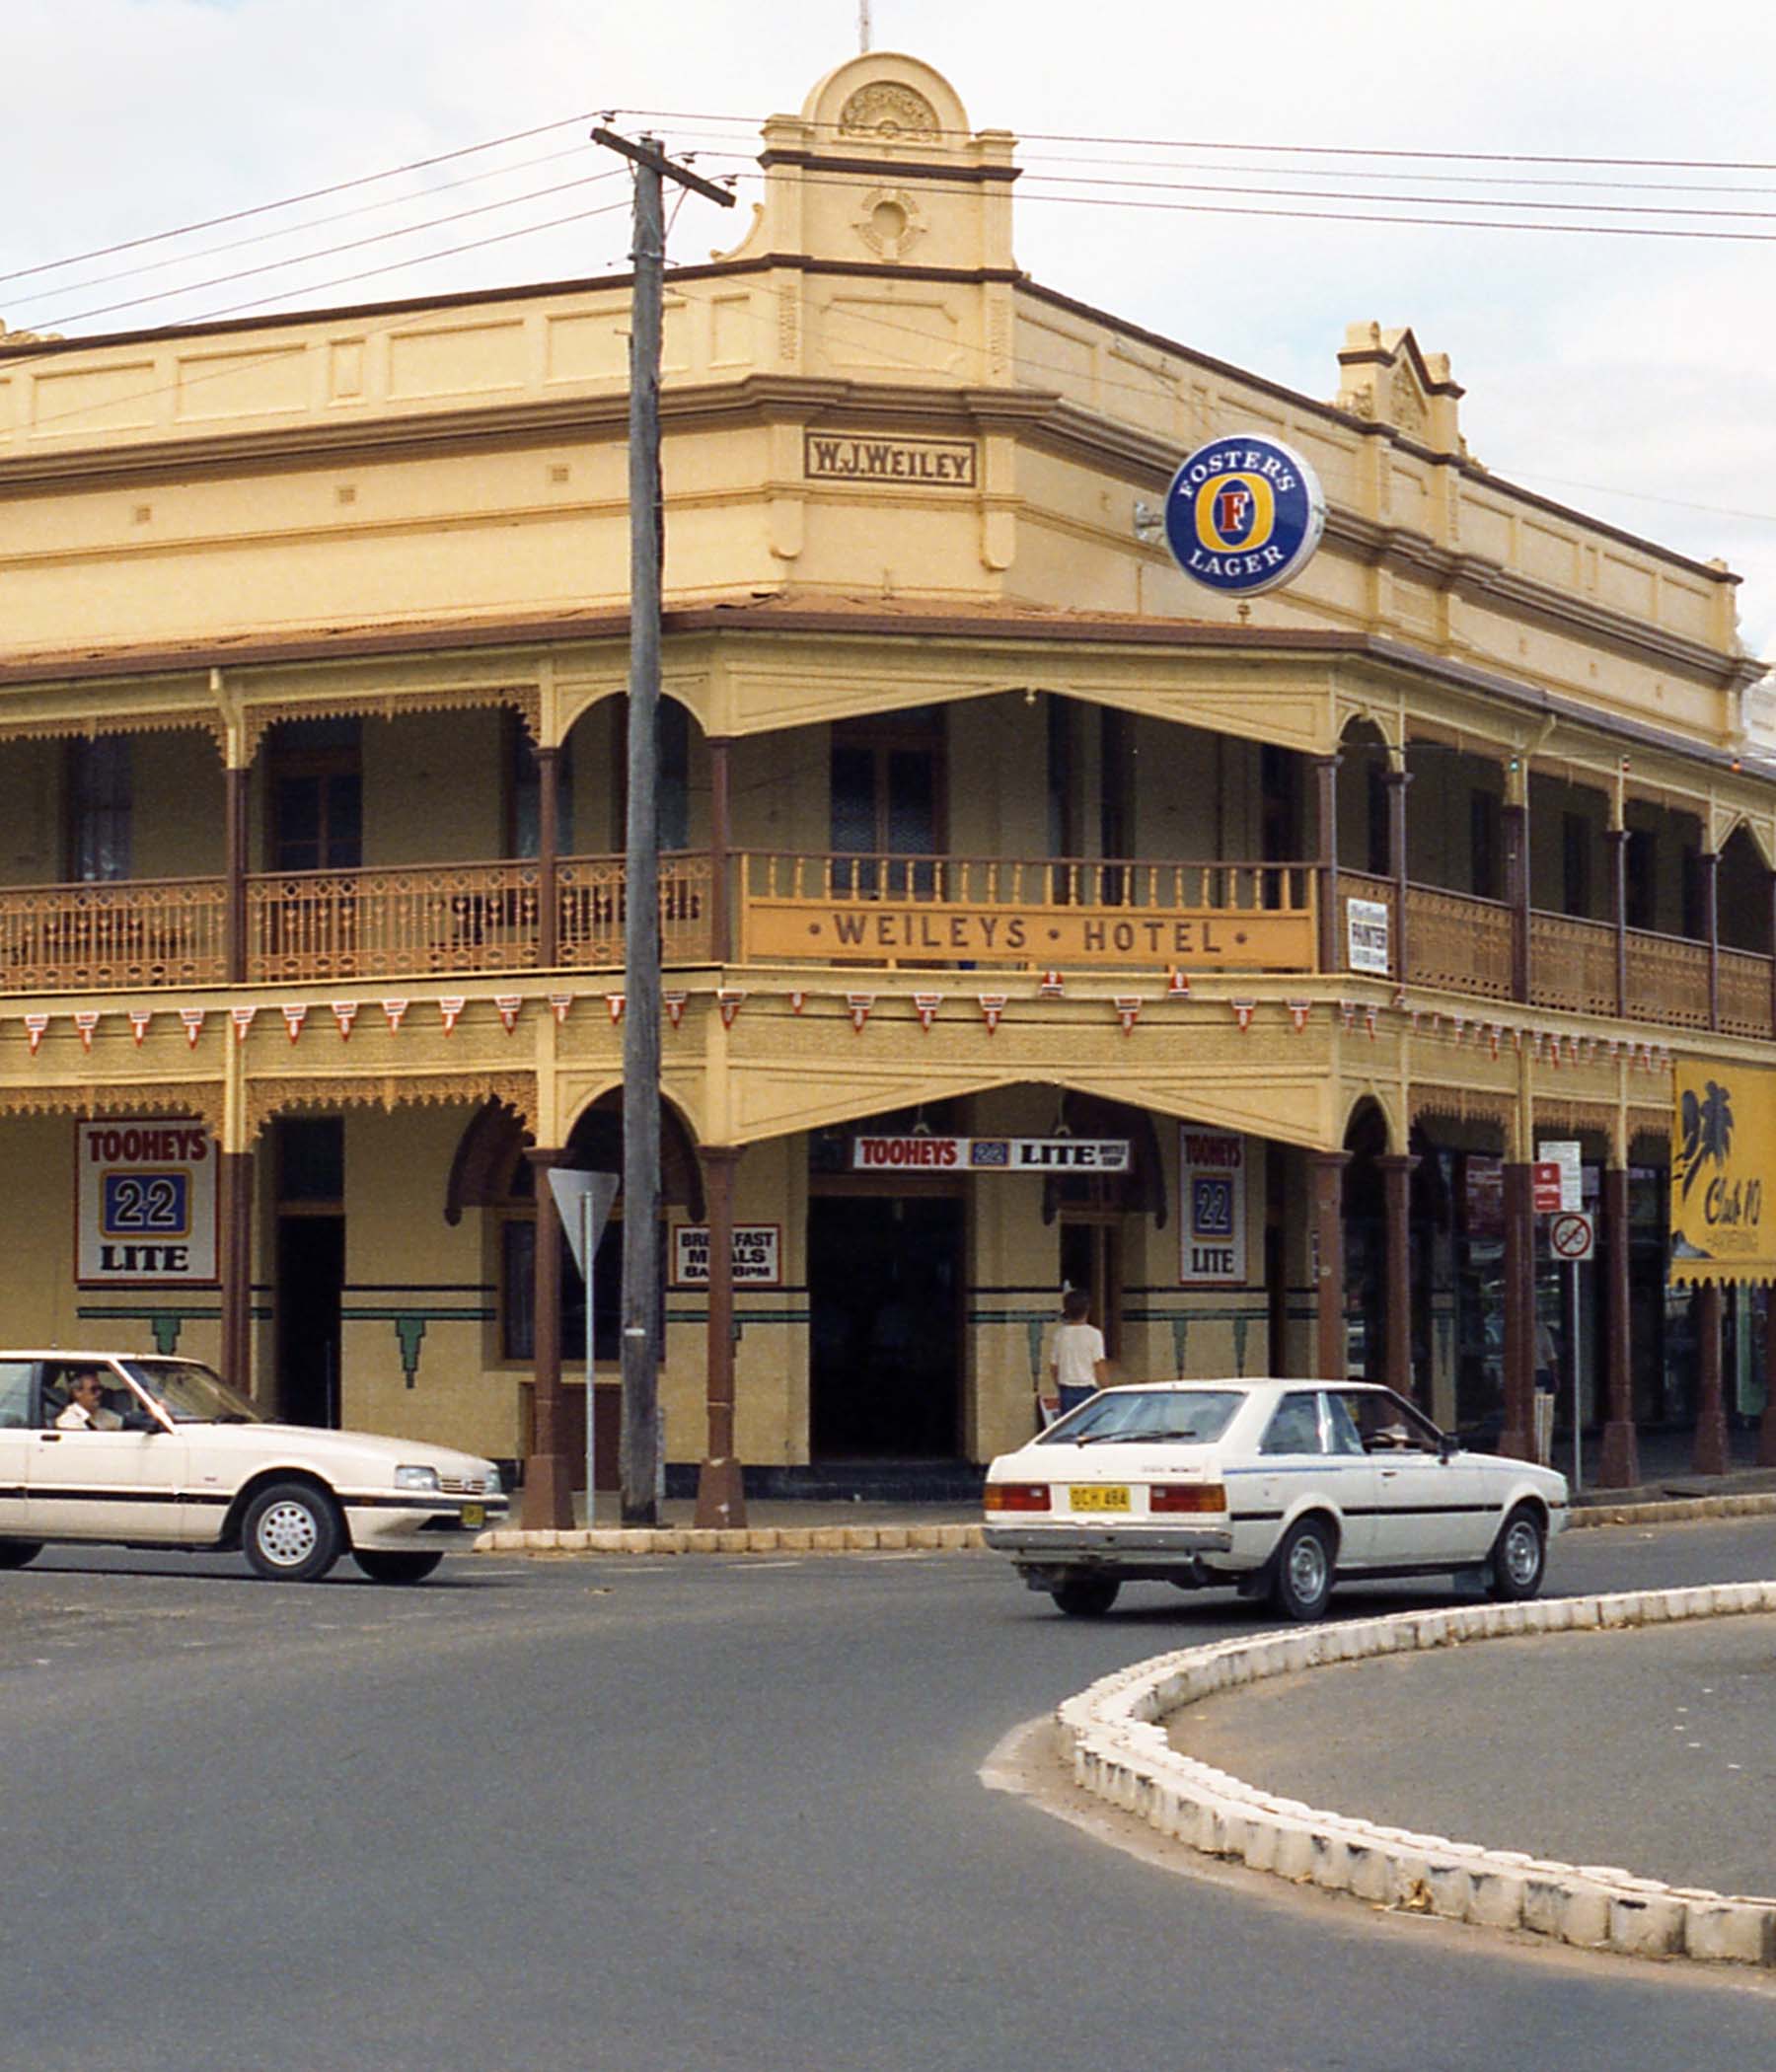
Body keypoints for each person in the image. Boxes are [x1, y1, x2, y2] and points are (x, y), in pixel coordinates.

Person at [1045, 1289, 1110, 1421]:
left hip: (1066, 1390)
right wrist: (1106, 1388)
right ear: (1087, 1310)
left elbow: (1054, 1367)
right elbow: (1099, 1365)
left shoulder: (1060, 1335)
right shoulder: (1094, 1334)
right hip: (1088, 1389)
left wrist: (1059, 1386)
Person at [55, 1369, 120, 1432]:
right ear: (77, 1392)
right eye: (94, 1389)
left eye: (100, 1388)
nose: (99, 1393)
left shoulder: (104, 1414)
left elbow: (127, 1426)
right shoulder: (67, 1421)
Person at [1533, 1317, 1559, 1467]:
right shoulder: (1541, 1329)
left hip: (1535, 1375)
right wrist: (1555, 1377)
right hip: (1540, 1374)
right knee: (1542, 1415)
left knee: (1536, 1415)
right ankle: (1544, 1450)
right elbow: (1551, 1356)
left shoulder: (1513, 1326)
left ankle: (1541, 1449)